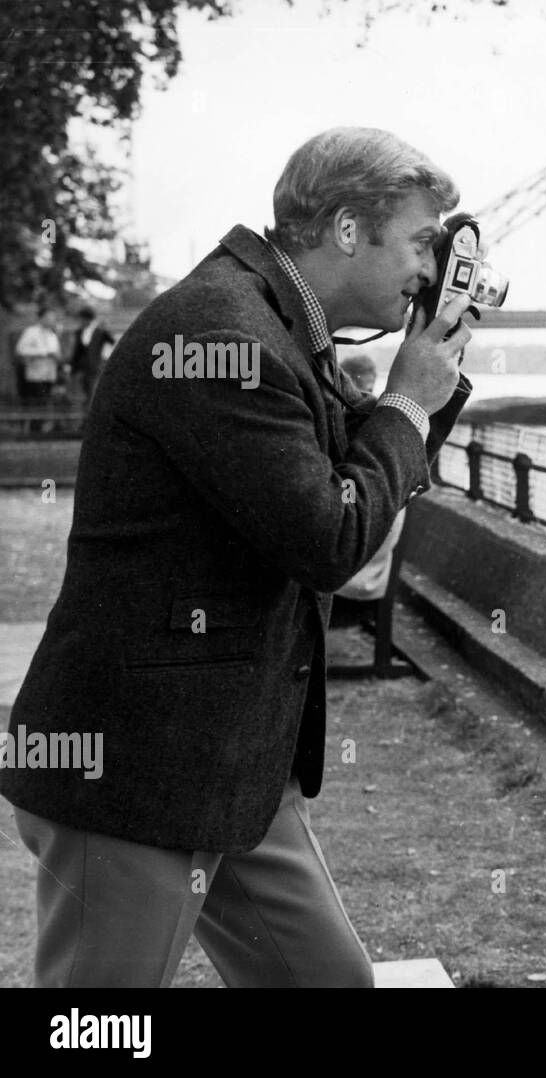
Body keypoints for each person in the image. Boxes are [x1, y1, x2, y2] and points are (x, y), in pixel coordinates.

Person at [1, 127, 476, 988]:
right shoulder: (228, 337)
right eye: (417, 241)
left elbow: (343, 479)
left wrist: (430, 371)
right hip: (137, 774)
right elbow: (328, 535)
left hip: (229, 763)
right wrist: (407, 401)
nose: (427, 264)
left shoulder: (276, 325)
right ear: (344, 228)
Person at [14, 306, 62, 405]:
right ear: (41, 318)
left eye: (53, 317)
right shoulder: (31, 331)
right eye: (49, 317)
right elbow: (20, 349)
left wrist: (57, 357)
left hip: (49, 376)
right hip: (35, 376)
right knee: (36, 405)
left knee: (45, 404)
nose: (52, 320)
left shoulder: (52, 335)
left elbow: (57, 353)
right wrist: (44, 352)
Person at [69, 304, 114, 405]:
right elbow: (77, 352)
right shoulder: (79, 332)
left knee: (93, 393)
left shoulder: (100, 332)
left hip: (94, 367)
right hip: (81, 368)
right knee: (81, 393)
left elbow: (112, 342)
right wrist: (73, 367)